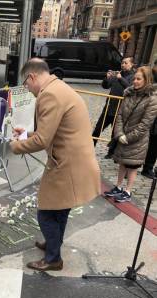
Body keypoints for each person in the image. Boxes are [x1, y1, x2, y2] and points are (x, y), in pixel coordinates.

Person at [9, 58, 101, 272]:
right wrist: (25, 135)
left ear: (32, 77)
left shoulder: (49, 94)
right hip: (74, 161)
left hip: (67, 165)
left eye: (25, 83)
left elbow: (43, 140)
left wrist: (15, 146)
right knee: (59, 210)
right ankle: (53, 245)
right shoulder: (58, 87)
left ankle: (53, 259)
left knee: (47, 212)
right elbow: (50, 132)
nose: (27, 88)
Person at [104, 66, 157, 203]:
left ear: (147, 80)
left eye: (139, 79)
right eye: (134, 78)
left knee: (132, 166)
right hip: (123, 135)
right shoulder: (128, 93)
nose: (135, 81)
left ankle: (128, 191)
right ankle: (118, 186)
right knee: (122, 161)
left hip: (136, 139)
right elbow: (120, 114)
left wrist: (128, 137)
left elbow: (145, 124)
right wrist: (119, 133)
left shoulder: (152, 99)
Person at [92, 57, 135, 158]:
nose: (123, 64)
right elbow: (105, 86)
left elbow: (130, 88)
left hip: (120, 110)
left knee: (115, 133)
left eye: (126, 63)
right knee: (98, 129)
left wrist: (120, 78)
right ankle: (90, 146)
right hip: (109, 107)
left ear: (132, 64)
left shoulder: (133, 77)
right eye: (122, 63)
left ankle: (111, 152)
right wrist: (107, 78)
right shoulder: (117, 74)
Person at [141, 60, 157, 179]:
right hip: (148, 114)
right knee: (142, 142)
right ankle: (131, 166)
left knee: (154, 144)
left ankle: (148, 167)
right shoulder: (150, 76)